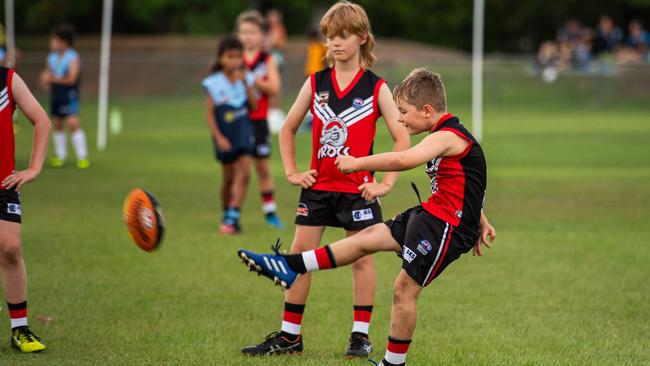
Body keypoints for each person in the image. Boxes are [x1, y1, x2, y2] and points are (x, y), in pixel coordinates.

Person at [238, 68, 496, 366]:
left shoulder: (447, 136)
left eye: (404, 112)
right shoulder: (442, 134)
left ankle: (392, 363)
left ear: (427, 110)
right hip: (433, 215)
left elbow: (404, 159)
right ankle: (291, 265)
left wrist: (356, 163)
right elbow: (466, 183)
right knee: (367, 238)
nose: (399, 119)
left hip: (447, 227)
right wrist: (481, 218)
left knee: (403, 290)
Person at [239, 1, 410, 359]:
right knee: (299, 256)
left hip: (358, 191)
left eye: (343, 36)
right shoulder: (316, 83)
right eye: (330, 36)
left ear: (362, 38)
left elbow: (403, 140)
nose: (334, 43)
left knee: (363, 259)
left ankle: (360, 338)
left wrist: (385, 184)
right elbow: (286, 129)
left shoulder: (376, 88)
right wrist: (291, 171)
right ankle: (289, 337)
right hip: (317, 189)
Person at [0, 66, 52, 353]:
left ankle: (20, 329)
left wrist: (34, 167)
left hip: (3, 183)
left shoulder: (6, 78)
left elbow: (42, 121)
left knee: (10, 248)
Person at [202, 37, 257, 234]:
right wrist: (218, 137)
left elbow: (254, 106)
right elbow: (209, 114)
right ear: (221, 58)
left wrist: (246, 84)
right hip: (225, 135)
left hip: (244, 132)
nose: (234, 61)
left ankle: (233, 216)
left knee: (245, 172)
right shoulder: (212, 83)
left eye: (237, 57)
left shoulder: (247, 78)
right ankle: (226, 212)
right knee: (228, 178)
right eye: (229, 57)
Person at [236, 10, 284, 229]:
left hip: (258, 122)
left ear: (260, 35)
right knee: (239, 171)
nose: (248, 36)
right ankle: (232, 213)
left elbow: (274, 87)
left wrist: (253, 81)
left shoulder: (267, 59)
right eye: (244, 32)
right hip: (237, 122)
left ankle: (270, 213)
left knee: (263, 169)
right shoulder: (233, 58)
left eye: (252, 32)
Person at [39, 23, 89, 169]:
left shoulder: (73, 57)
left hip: (69, 93)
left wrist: (52, 79)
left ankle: (82, 157)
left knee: (72, 123)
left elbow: (72, 78)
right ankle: (60, 155)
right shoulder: (51, 57)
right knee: (58, 123)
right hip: (56, 93)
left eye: (54, 40)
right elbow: (47, 74)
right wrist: (45, 80)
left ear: (63, 42)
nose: (51, 44)